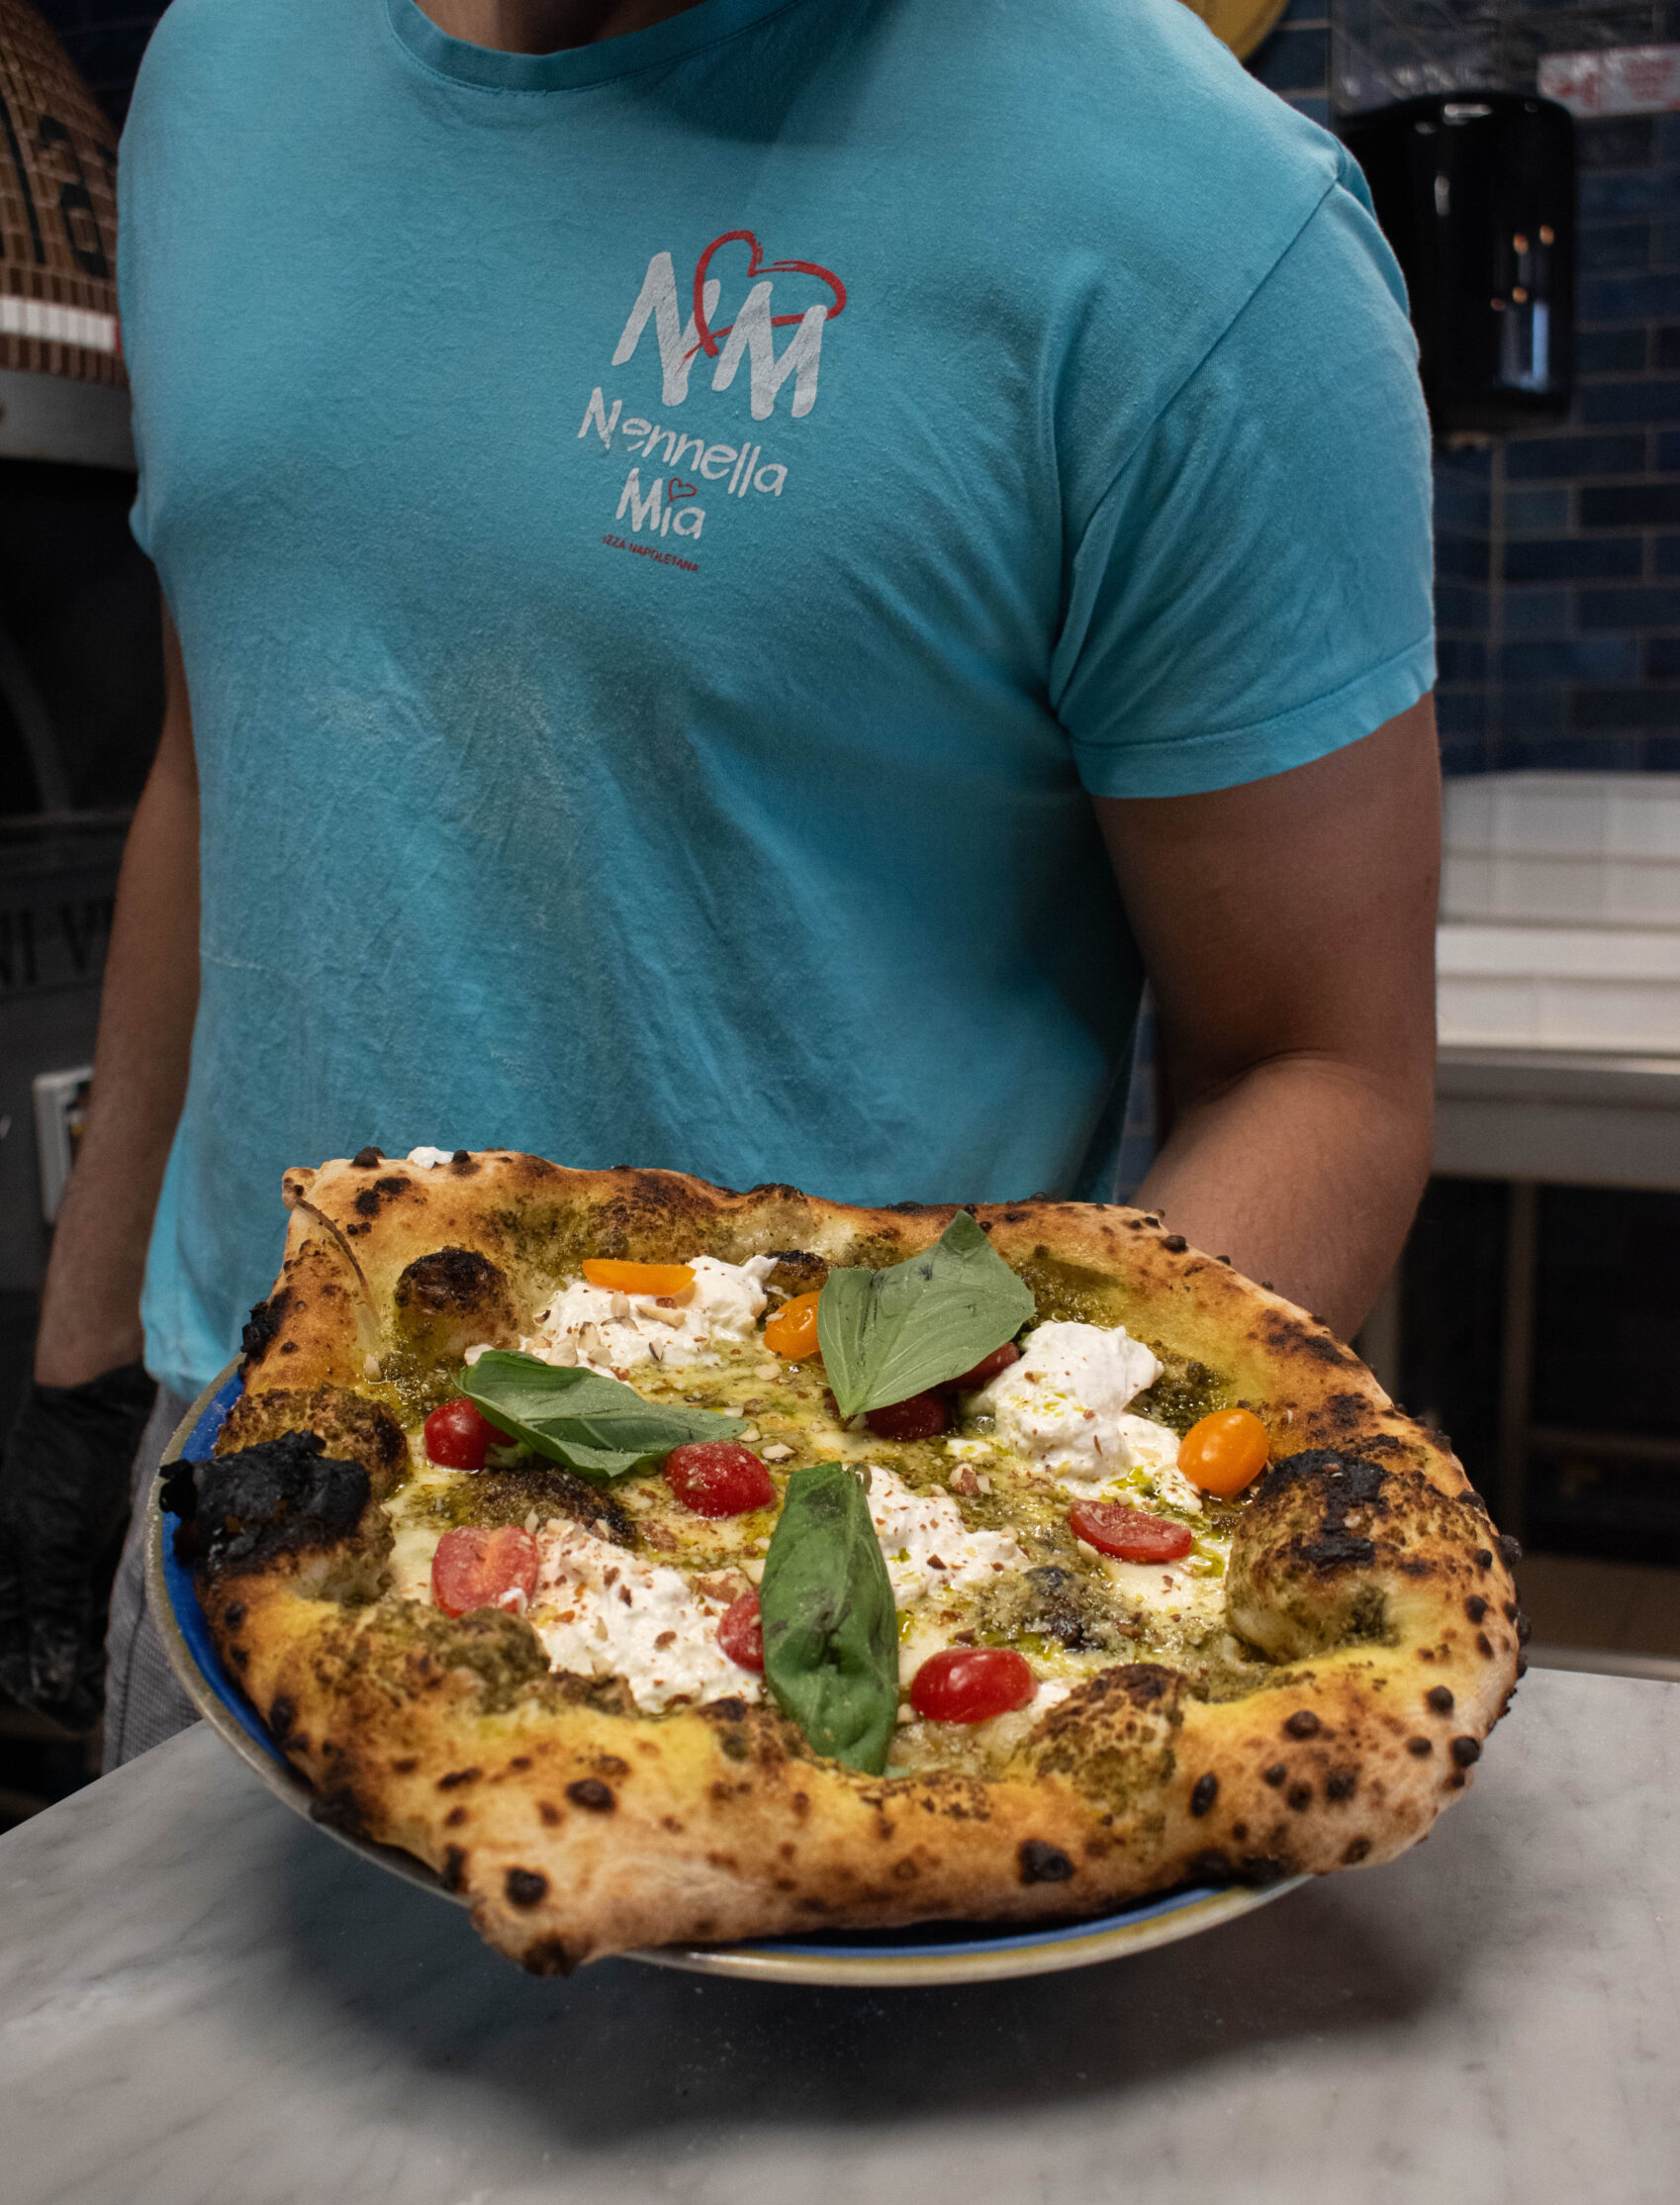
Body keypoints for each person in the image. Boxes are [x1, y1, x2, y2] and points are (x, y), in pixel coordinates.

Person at [0, 0, 1442, 1763]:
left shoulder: (1204, 229)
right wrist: (83, 1383)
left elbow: (1323, 1070)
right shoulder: (222, 67)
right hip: (239, 1490)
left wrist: (965, 1573)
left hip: (800, 1616)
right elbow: (213, 767)